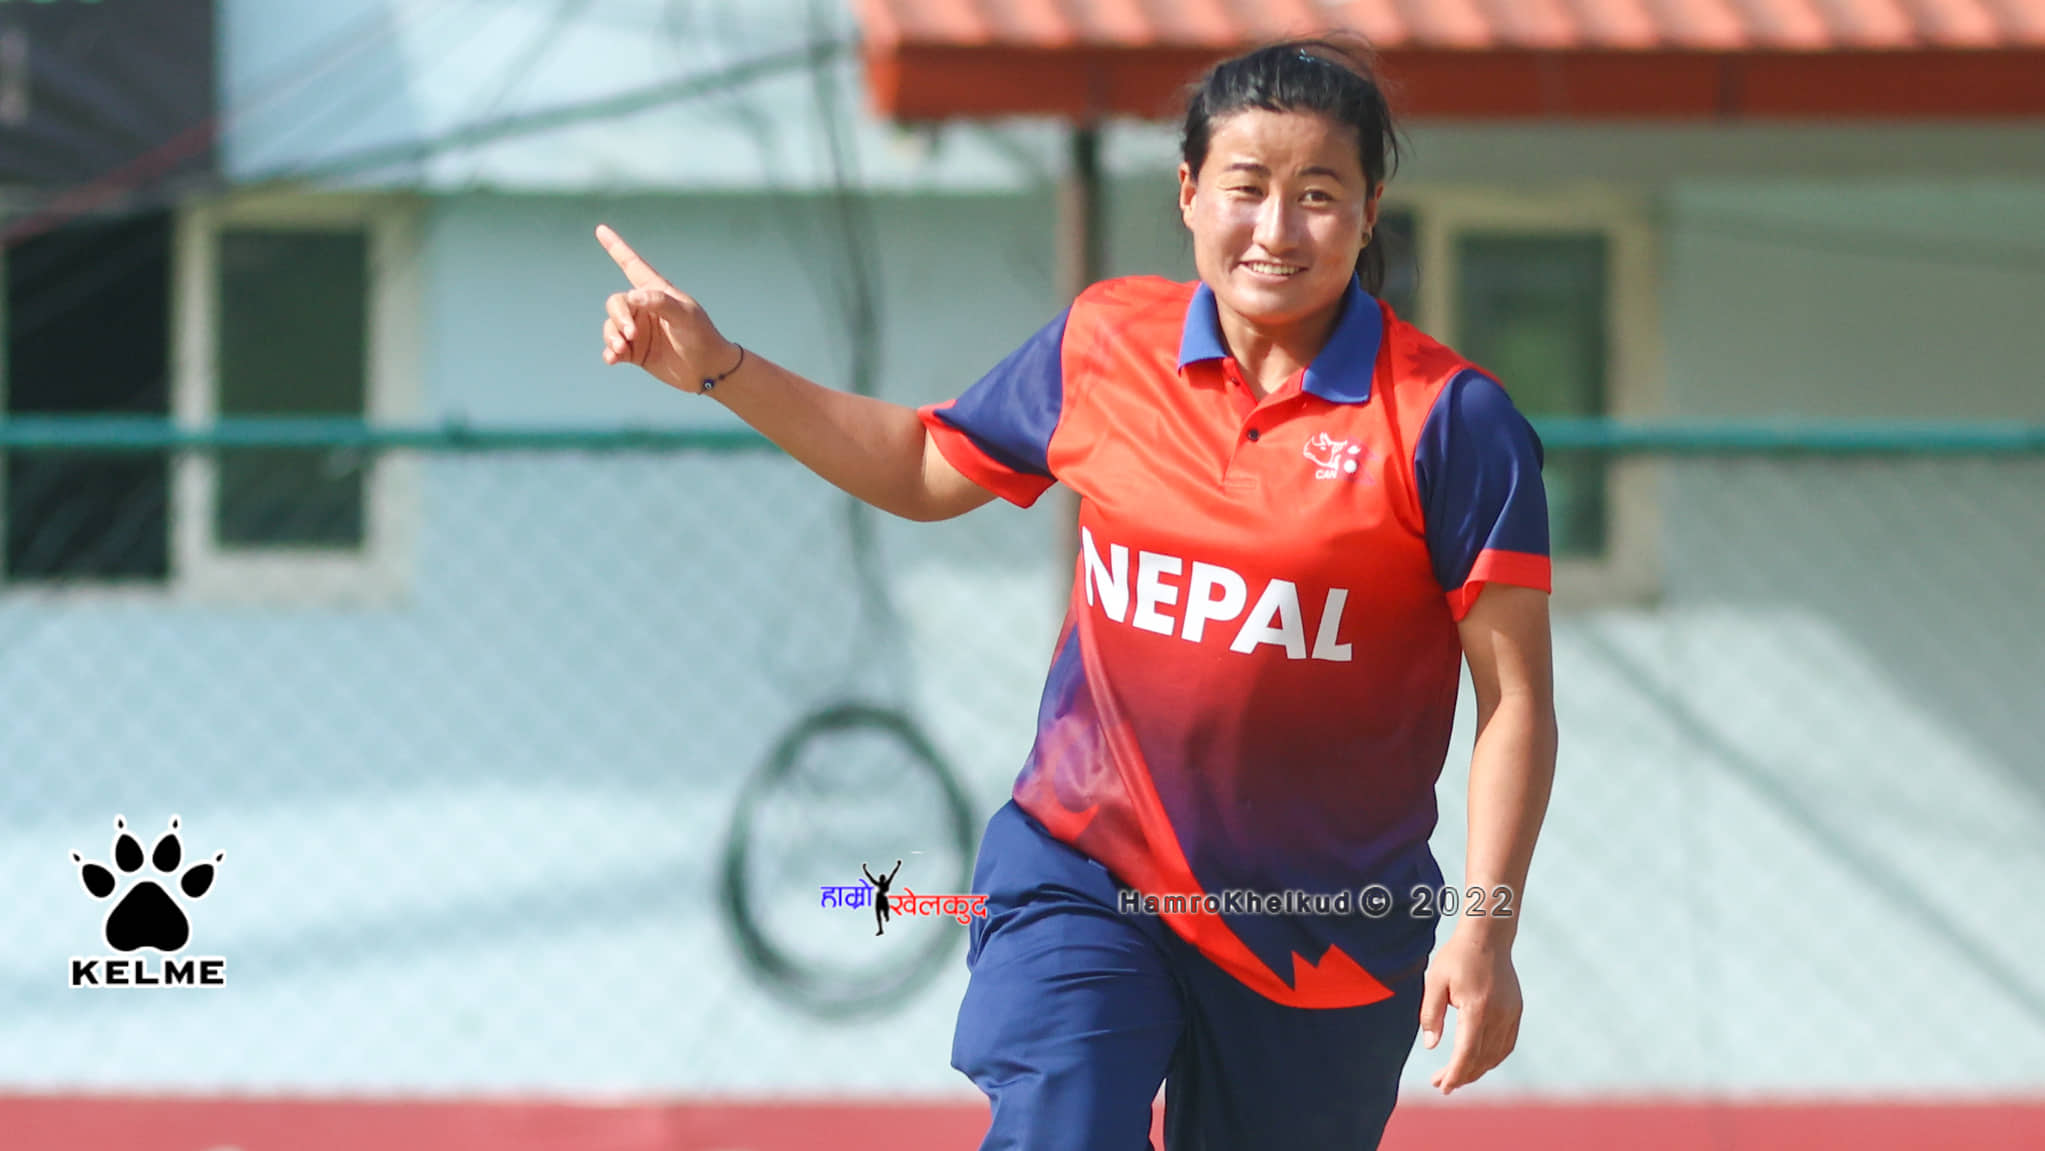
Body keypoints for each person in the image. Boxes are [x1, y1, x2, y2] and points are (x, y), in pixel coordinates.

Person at [594, 35, 1557, 1151]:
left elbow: (1513, 702)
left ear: (1369, 209)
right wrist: (721, 367)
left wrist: (1484, 926)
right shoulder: (1106, 342)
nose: (1276, 229)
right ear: (1188, 192)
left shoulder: (1451, 422)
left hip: (1319, 932)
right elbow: (920, 465)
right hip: (1087, 869)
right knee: (1062, 1116)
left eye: (1317, 194)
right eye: (1246, 187)